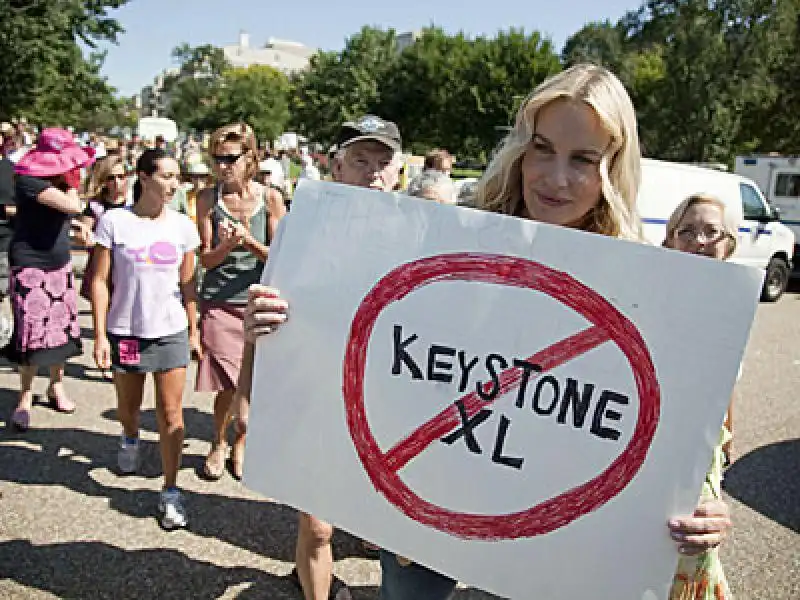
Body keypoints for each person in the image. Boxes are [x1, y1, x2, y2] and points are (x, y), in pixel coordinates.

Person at [239, 67, 734, 598]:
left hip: (558, 527)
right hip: (426, 504)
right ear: (521, 149)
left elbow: (673, 429)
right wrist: (285, 326)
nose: (555, 177)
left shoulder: (647, 286)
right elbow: (378, 343)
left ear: (614, 168)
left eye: (584, 159)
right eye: (543, 149)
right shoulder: (450, 238)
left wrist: (704, 506)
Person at [233, 115, 403, 600]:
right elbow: (264, 312)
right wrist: (248, 392)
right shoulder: (301, 227)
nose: (372, 172)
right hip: (310, 396)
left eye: (383, 162)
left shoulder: (416, 234)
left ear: (397, 172)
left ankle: (308, 575)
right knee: (320, 527)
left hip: (379, 403)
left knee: (383, 530)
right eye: (360, 160)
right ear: (337, 166)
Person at [90, 148, 202, 529]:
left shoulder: (183, 227)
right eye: (166, 176)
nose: (173, 184)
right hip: (127, 331)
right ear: (143, 176)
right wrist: (101, 334)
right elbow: (99, 282)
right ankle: (130, 436)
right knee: (129, 406)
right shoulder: (115, 222)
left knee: (172, 414)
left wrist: (195, 329)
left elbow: (188, 285)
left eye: (177, 177)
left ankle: (171, 490)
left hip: (170, 330)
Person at [662, 193, 739, 600]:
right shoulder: (652, 299)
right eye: (687, 231)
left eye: (712, 232)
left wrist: (728, 443)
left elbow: (726, 386)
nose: (700, 240)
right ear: (671, 241)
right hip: (654, 450)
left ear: (729, 245)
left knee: (692, 549)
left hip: (701, 454)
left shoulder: (735, 312)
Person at [194, 123, 281, 481]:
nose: (222, 166)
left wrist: (248, 242)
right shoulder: (206, 199)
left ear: (250, 157)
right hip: (220, 301)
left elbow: (279, 257)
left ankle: (241, 441)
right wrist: (227, 246)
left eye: (230, 158)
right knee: (230, 382)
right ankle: (218, 441)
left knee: (254, 383)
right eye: (216, 159)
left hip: (258, 301)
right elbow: (205, 259)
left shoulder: (271, 198)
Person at [6, 129, 94, 431]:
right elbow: (73, 205)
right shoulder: (30, 181)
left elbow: (59, 218)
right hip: (30, 264)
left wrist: (77, 229)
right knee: (31, 333)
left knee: (62, 329)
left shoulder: (55, 183)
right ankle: (25, 396)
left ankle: (56, 385)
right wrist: (72, 184)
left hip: (59, 263)